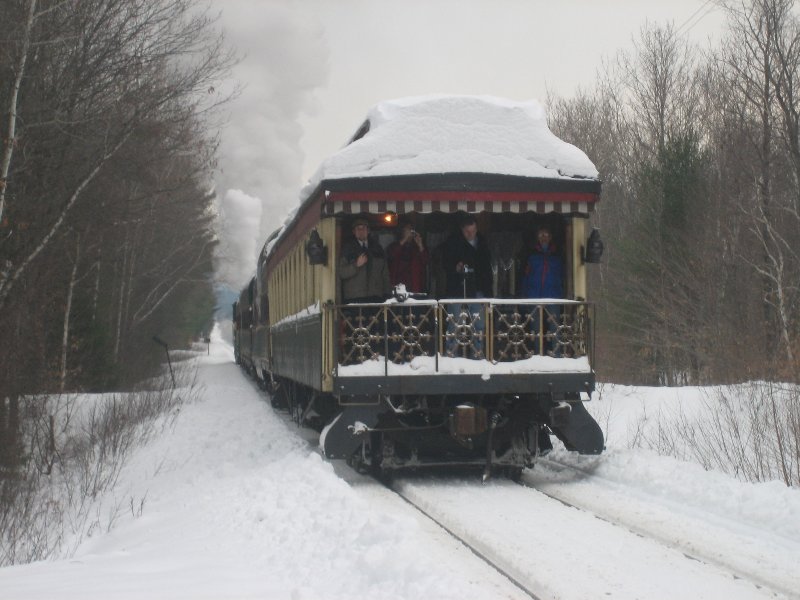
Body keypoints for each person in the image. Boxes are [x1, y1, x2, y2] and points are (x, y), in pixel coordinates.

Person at [441, 214, 492, 357]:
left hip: (478, 290)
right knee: (455, 324)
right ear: (461, 230)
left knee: (479, 325)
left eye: (473, 230)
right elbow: (444, 263)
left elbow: (487, 269)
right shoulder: (452, 242)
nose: (471, 234)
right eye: (467, 231)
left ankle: (478, 354)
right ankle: (452, 355)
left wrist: (488, 290)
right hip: (458, 289)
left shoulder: (482, 242)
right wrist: (455, 267)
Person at [521, 226, 564, 355]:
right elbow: (525, 276)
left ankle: (556, 354)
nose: (543, 238)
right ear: (537, 238)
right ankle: (538, 354)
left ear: (550, 237)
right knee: (536, 329)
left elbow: (563, 275)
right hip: (534, 296)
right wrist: (524, 295)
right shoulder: (531, 254)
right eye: (541, 235)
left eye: (546, 235)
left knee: (555, 328)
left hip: (553, 296)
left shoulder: (557, 254)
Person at [339, 218, 390, 303]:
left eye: (363, 228)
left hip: (376, 297)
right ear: (354, 232)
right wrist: (356, 265)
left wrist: (387, 295)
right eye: (358, 229)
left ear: (368, 230)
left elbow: (385, 274)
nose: (361, 231)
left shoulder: (377, 248)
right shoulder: (347, 249)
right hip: (354, 298)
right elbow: (341, 273)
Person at [387, 222, 429, 294]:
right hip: (398, 286)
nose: (410, 232)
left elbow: (426, 261)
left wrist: (420, 245)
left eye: (411, 229)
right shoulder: (394, 245)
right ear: (403, 231)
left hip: (415, 286)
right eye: (408, 229)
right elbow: (391, 255)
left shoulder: (417, 247)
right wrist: (405, 238)